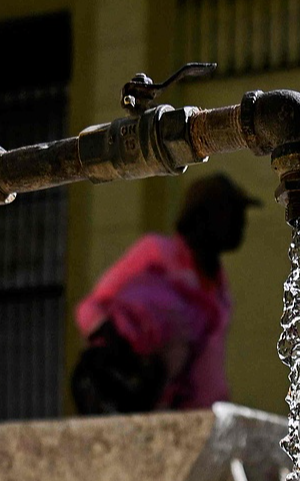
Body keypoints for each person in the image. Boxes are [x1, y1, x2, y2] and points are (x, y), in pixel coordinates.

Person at [71, 172, 259, 414]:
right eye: (231, 213)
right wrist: (123, 349)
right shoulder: (156, 253)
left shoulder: (219, 288)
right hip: (142, 400)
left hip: (193, 417)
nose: (241, 222)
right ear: (202, 217)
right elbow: (91, 308)